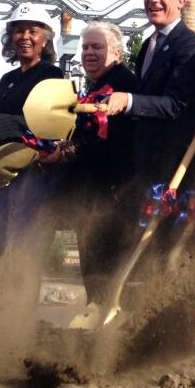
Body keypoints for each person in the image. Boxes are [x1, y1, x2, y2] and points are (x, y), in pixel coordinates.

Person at [103, 0, 195, 192]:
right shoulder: (148, 45)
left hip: (175, 173)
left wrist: (129, 101)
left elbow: (177, 106)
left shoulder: (191, 47)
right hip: (145, 169)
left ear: (181, 1)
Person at [0, 3, 64, 259]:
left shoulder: (53, 75)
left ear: (45, 40)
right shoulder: (6, 80)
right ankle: (0, 299)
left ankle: (22, 299)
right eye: (18, 31)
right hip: (4, 179)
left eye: (33, 31)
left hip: (36, 177)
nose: (25, 37)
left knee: (25, 252)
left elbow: (46, 122)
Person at [57, 21, 137, 301]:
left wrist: (72, 151)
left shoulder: (124, 86)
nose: (89, 53)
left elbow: (119, 145)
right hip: (91, 198)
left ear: (116, 52)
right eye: (86, 47)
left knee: (108, 277)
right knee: (94, 276)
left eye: (97, 47)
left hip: (112, 200)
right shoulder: (96, 86)